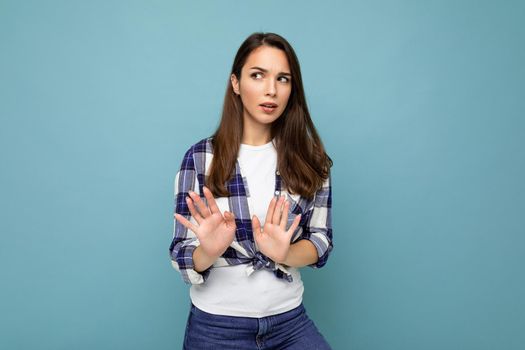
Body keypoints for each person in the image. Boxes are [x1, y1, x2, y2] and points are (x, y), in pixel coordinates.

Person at [169, 32, 333, 349]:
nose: (271, 90)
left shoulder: (310, 160)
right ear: (235, 83)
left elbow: (321, 241)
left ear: (292, 88)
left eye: (283, 79)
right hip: (217, 329)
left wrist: (284, 252)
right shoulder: (201, 158)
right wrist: (209, 251)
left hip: (289, 324)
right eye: (257, 75)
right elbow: (180, 252)